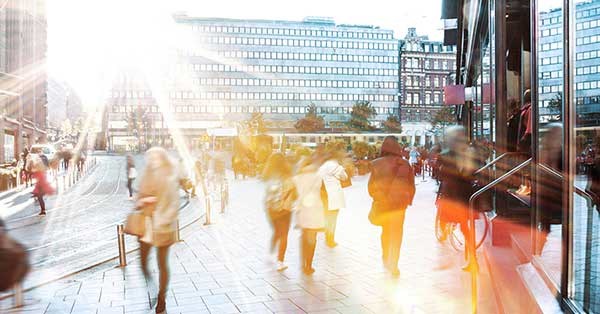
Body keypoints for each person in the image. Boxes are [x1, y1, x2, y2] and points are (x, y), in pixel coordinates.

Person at [135, 147, 179, 314]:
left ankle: (161, 300)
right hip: (145, 225)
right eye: (150, 157)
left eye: (156, 157)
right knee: (143, 264)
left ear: (162, 158)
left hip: (163, 227)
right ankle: (154, 289)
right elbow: (139, 197)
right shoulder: (146, 173)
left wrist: (163, 219)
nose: (152, 160)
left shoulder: (169, 175)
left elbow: (174, 204)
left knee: (162, 264)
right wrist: (142, 201)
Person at [368, 136, 415, 276]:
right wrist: (407, 201)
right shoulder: (405, 164)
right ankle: (394, 265)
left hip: (383, 205)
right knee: (397, 234)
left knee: (385, 231)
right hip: (399, 207)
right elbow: (411, 186)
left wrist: (378, 197)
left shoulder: (376, 164)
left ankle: (385, 257)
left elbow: (370, 188)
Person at [436, 126, 477, 270]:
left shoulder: (448, 154)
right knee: (466, 227)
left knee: (459, 225)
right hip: (464, 195)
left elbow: (441, 174)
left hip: (454, 195)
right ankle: (472, 260)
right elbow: (472, 173)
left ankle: (473, 261)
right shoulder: (469, 152)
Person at [263, 153, 297, 271]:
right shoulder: (288, 176)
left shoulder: (268, 176)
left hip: (270, 209)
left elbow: (267, 193)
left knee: (276, 231)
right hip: (284, 209)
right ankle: (280, 261)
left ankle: (270, 254)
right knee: (284, 235)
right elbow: (295, 194)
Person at [293, 154, 326, 275]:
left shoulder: (296, 178)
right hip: (315, 210)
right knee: (312, 238)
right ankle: (309, 265)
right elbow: (323, 193)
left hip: (302, 210)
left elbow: (294, 196)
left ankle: (302, 264)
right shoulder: (318, 177)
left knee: (303, 237)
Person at [318, 149, 348, 248]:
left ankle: (327, 237)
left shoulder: (322, 166)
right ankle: (330, 240)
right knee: (333, 218)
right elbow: (344, 177)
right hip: (333, 195)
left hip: (324, 194)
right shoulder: (335, 165)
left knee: (327, 216)